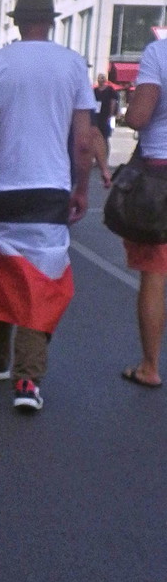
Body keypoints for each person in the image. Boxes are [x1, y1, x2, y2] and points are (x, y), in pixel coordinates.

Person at [0, 0, 95, 413]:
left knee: (3, 272)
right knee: (42, 281)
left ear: (18, 21)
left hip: (2, 188)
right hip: (50, 189)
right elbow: (82, 142)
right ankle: (27, 380)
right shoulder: (74, 66)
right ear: (52, 20)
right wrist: (81, 188)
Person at [116, 35, 167, 387]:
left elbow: (139, 115)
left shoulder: (158, 53)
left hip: (159, 173)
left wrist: (126, 114)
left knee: (155, 272)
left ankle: (150, 366)